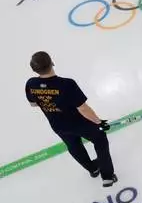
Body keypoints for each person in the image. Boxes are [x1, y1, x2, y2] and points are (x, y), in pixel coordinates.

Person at [26, 52, 118, 187]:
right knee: (100, 140)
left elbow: (33, 104)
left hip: (58, 125)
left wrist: (48, 100)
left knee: (74, 146)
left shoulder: (31, 84)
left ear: (34, 69)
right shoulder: (66, 84)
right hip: (80, 123)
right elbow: (83, 109)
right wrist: (99, 122)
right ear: (52, 63)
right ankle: (108, 176)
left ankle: (93, 169)